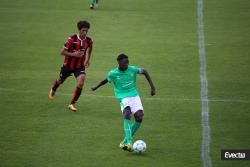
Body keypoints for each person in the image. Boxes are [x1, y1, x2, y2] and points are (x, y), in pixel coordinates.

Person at [91, 54, 155, 151]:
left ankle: (124, 142)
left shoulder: (132, 69)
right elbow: (106, 80)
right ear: (119, 62)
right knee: (127, 113)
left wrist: (152, 87)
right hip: (123, 97)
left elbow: (145, 71)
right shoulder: (113, 73)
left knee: (139, 117)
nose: (127, 64)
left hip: (134, 96)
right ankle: (129, 142)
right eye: (125, 62)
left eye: (128, 62)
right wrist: (96, 86)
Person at [49, 20, 93, 112]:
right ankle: (53, 89)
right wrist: (74, 55)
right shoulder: (71, 39)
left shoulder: (88, 40)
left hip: (80, 66)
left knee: (81, 82)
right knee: (60, 81)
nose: (85, 32)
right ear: (79, 30)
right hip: (68, 66)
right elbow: (62, 52)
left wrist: (88, 59)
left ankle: (72, 103)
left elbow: (90, 48)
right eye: (83, 30)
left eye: (86, 31)